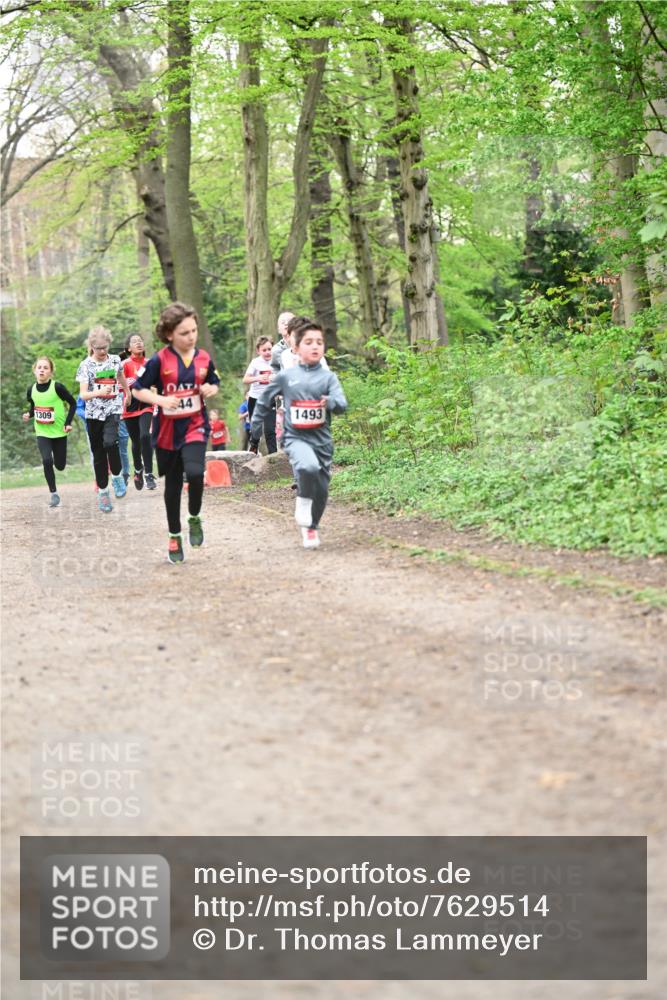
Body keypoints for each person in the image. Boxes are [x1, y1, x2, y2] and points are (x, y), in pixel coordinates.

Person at [132, 301, 219, 564]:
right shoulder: (159, 360)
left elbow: (213, 381)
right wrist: (159, 401)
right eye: (184, 333)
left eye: (194, 330)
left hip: (195, 425)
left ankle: (194, 516)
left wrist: (210, 389)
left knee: (194, 473)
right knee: (171, 486)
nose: (191, 337)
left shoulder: (203, 357)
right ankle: (174, 534)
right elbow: (137, 389)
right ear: (170, 334)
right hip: (168, 431)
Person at [249, 321, 347, 549]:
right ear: (296, 347)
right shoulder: (287, 376)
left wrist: (330, 402)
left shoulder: (328, 377)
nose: (315, 347)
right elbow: (264, 400)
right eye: (309, 342)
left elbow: (342, 405)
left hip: (322, 440)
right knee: (308, 467)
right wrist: (255, 427)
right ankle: (302, 500)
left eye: (319, 343)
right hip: (295, 437)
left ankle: (311, 527)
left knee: (322, 489)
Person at [77, 326, 132, 513]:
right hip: (93, 414)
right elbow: (83, 395)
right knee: (99, 455)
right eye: (97, 348)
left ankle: (116, 476)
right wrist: (99, 392)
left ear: (109, 344)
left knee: (110, 443)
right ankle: (103, 493)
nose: (101, 351)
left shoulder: (116, 360)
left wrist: (128, 391)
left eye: (105, 347)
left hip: (112, 410)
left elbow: (120, 376)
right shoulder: (86, 365)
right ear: (91, 346)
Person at [22, 355, 76, 507]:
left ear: (51, 372)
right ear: (34, 370)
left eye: (46, 368)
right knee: (47, 460)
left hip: (59, 432)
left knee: (60, 465)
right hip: (42, 432)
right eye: (39, 367)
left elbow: (72, 404)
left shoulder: (57, 387)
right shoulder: (31, 390)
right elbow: (34, 407)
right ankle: (54, 494)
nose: (42, 370)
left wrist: (68, 422)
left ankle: (58, 467)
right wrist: (29, 414)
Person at [122, 333, 157, 490]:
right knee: (136, 441)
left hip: (146, 404)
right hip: (129, 406)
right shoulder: (123, 365)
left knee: (145, 435)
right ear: (129, 348)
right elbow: (115, 384)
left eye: (140, 341)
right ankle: (138, 469)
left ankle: (149, 474)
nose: (138, 343)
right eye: (134, 342)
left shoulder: (150, 363)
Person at [243, 335, 277, 454]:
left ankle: (274, 456)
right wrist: (258, 377)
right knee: (255, 429)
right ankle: (254, 446)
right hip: (255, 399)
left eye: (269, 349)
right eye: (264, 350)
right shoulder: (255, 362)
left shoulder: (276, 361)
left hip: (269, 400)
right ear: (258, 351)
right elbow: (245, 379)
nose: (267, 352)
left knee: (270, 430)